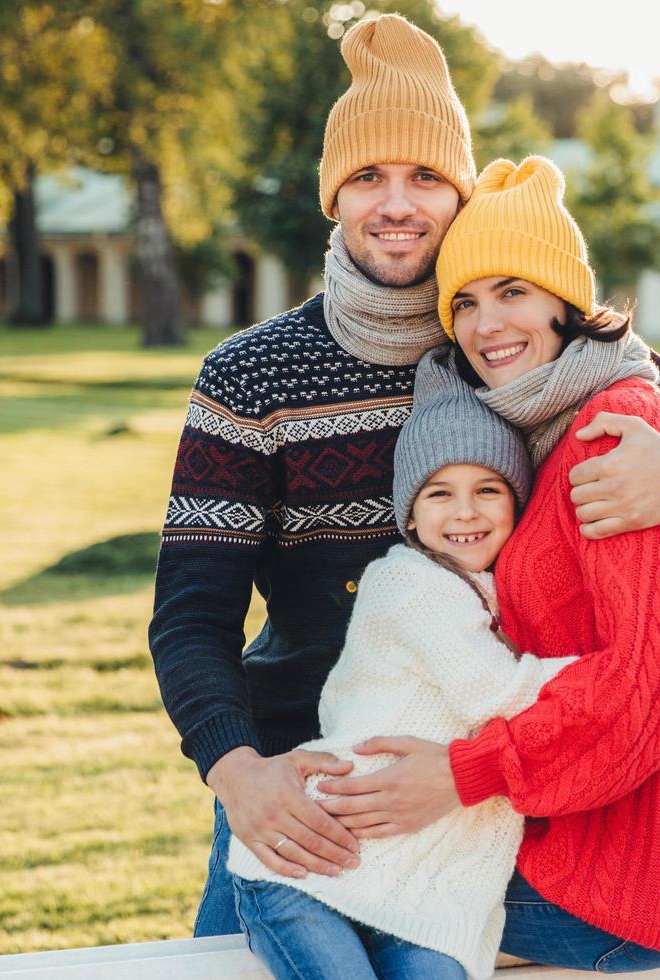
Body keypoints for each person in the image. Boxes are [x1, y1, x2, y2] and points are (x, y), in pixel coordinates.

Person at [149, 13, 660, 941]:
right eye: (368, 177)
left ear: (459, 194)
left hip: (485, 772)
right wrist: (237, 772)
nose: (397, 203)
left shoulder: (524, 345)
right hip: (303, 774)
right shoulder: (252, 375)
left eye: (426, 177)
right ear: (333, 198)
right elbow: (190, 613)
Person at [316, 155, 660, 971]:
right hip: (597, 831)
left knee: (298, 874)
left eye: (512, 291)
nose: (486, 326)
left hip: (628, 880)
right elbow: (637, 664)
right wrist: (654, 690)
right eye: (465, 303)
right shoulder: (533, 433)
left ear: (564, 305)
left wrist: (461, 773)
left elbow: (648, 668)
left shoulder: (614, 424)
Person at [228, 349, 574, 979]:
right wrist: (645, 688)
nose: (464, 511)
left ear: (517, 503)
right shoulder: (408, 582)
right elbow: (496, 694)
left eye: (487, 490)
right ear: (410, 514)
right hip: (311, 865)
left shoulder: (508, 596)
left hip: (431, 889)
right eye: (439, 493)